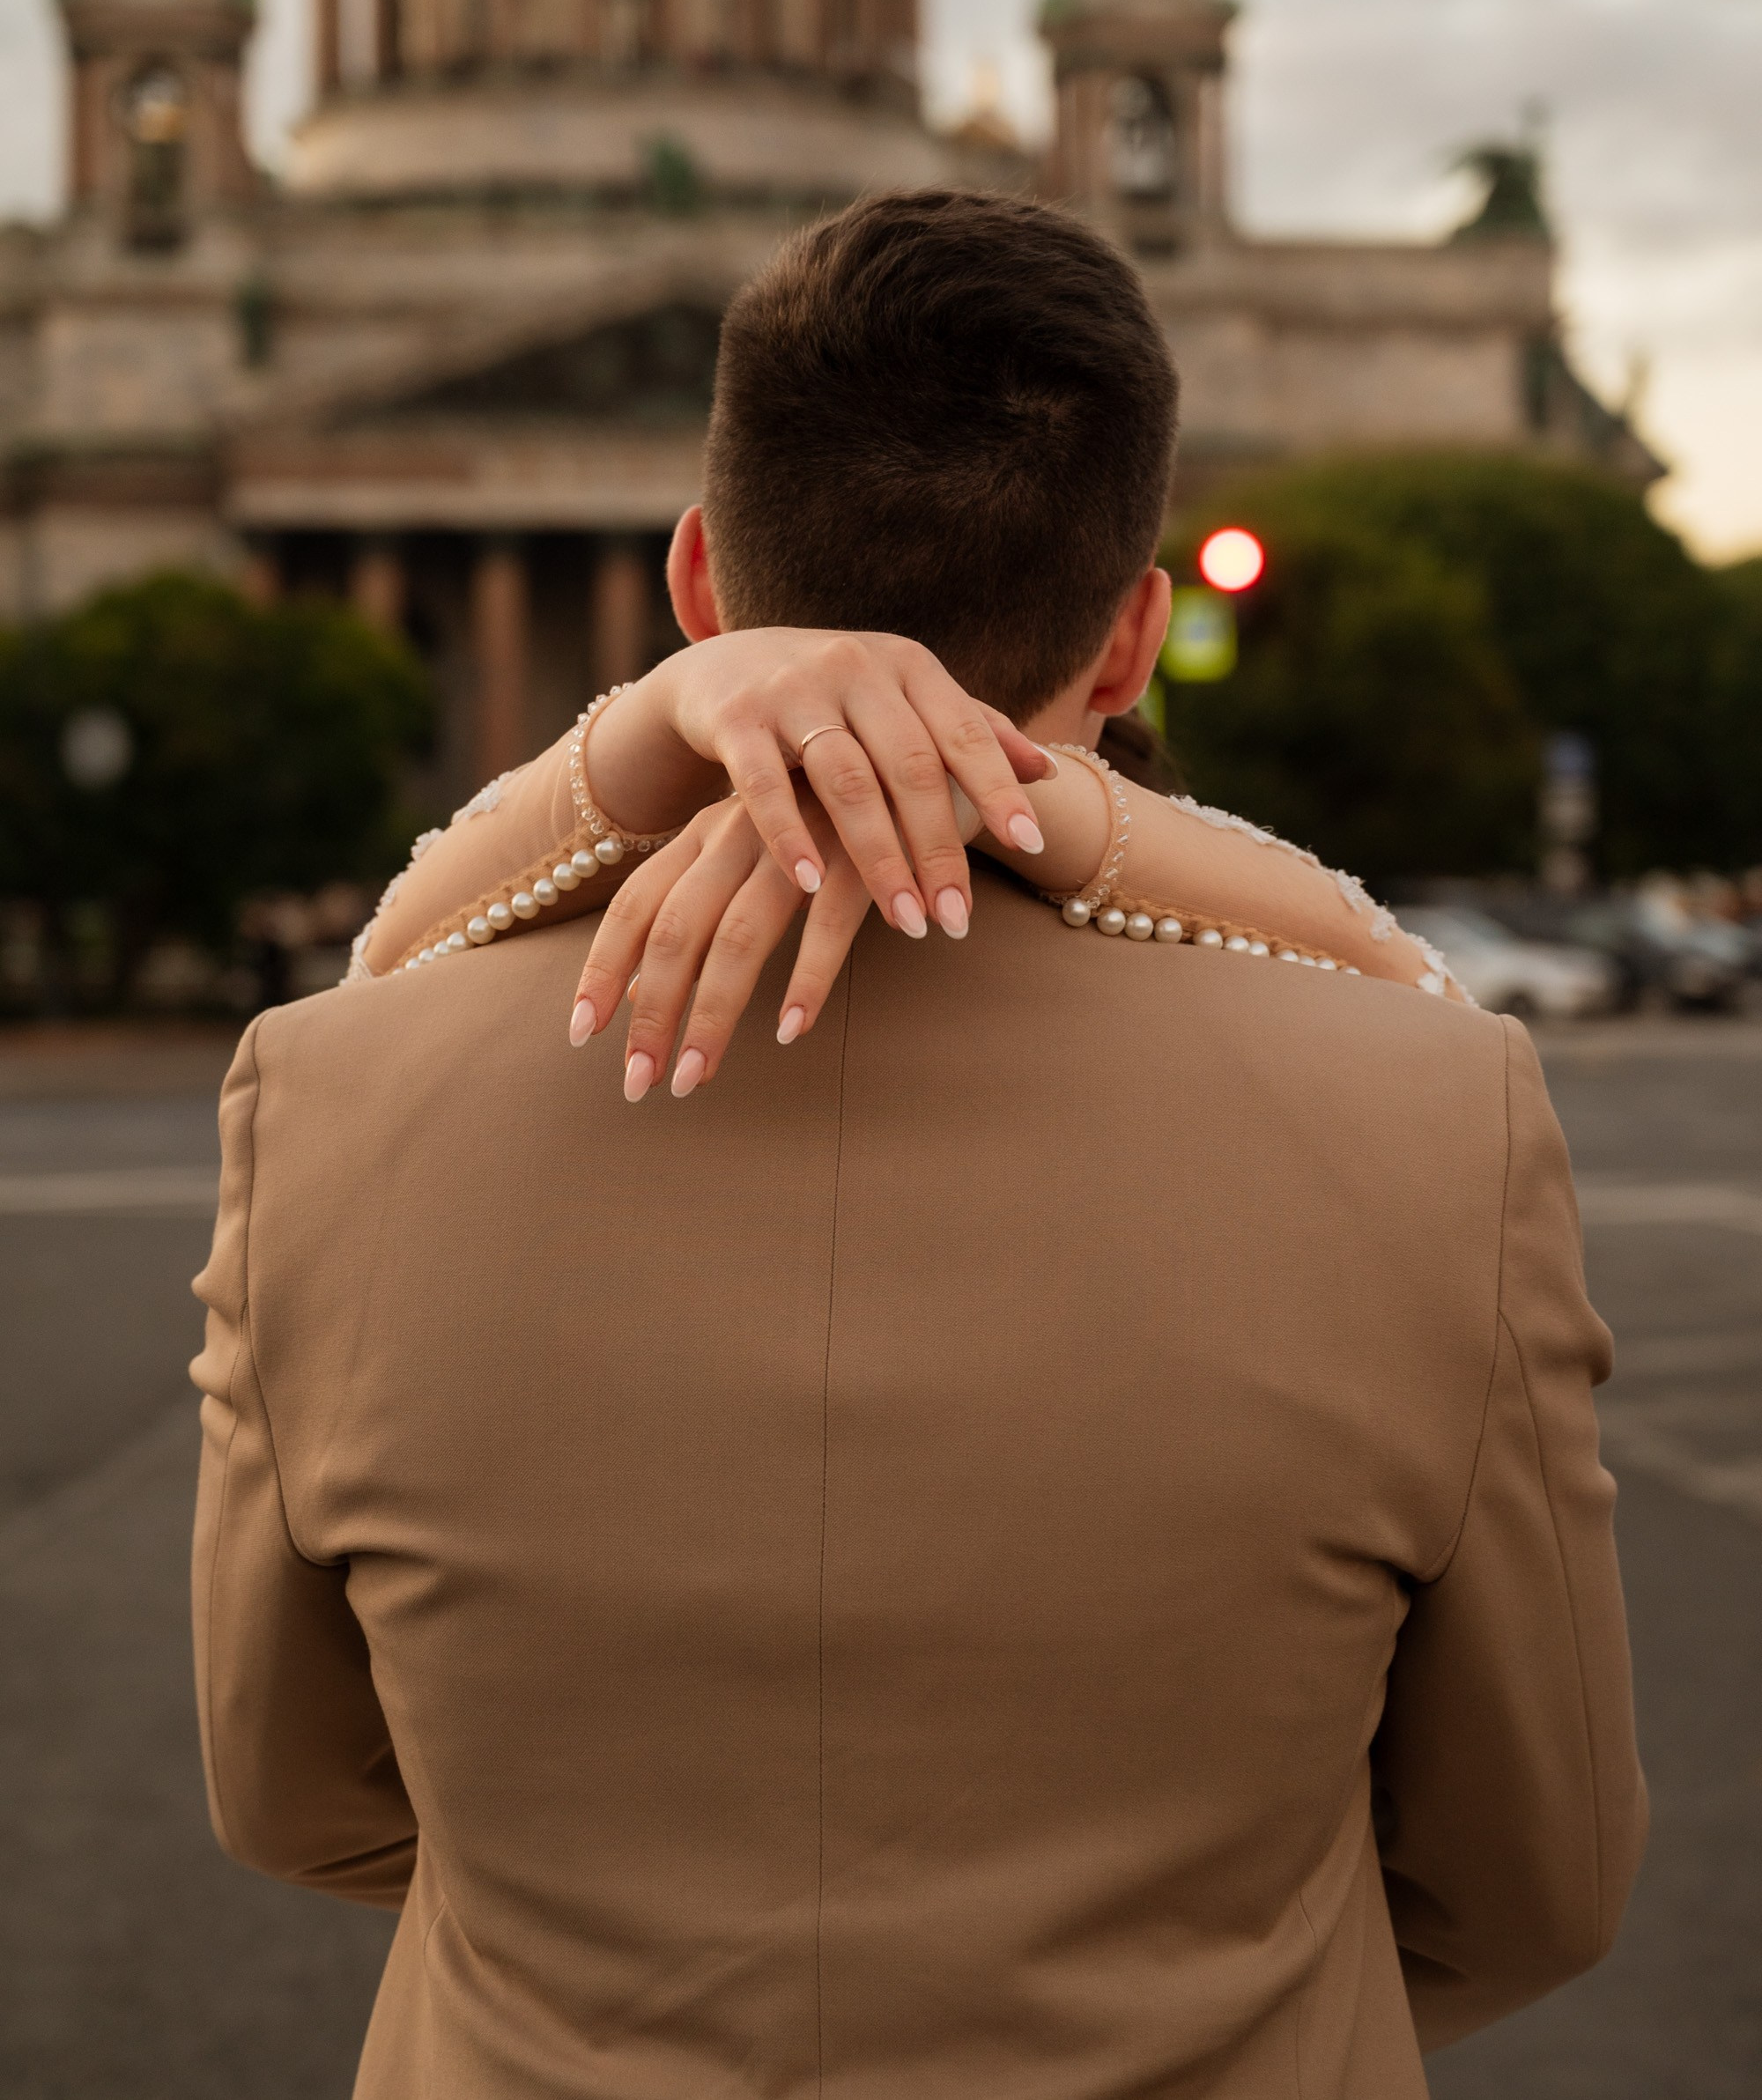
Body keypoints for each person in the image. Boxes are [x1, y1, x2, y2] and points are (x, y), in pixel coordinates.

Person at [192, 190, 1643, 2100]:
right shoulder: (1434, 1113)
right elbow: (1534, 1881)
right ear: (1132, 637)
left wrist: (623, 751)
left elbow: (294, 1796)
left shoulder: (329, 1097)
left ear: (701, 587)